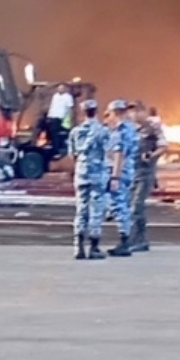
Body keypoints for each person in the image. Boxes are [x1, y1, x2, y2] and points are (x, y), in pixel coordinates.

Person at [70, 98, 109, 260]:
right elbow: (108, 152)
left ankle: (78, 247)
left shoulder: (75, 132)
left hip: (81, 174)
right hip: (97, 175)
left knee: (81, 210)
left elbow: (73, 155)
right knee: (96, 211)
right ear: (96, 111)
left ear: (83, 112)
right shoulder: (103, 131)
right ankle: (94, 248)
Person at [106, 99, 139, 257]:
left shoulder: (120, 131)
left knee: (119, 206)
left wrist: (115, 177)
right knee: (123, 204)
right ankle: (126, 239)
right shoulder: (131, 129)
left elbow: (119, 155)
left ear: (114, 113)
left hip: (120, 172)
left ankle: (124, 241)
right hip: (128, 171)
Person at [130, 102, 165, 252]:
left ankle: (139, 240)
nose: (134, 114)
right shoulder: (130, 129)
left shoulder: (152, 127)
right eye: (132, 111)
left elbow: (163, 146)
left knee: (137, 207)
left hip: (145, 173)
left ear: (143, 112)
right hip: (131, 173)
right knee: (129, 208)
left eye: (137, 111)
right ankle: (134, 239)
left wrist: (151, 156)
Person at [44, 83, 74, 157]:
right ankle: (49, 143)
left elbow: (70, 108)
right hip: (52, 116)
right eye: (59, 88)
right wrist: (49, 115)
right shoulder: (55, 96)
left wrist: (69, 119)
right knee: (45, 127)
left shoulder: (68, 97)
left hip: (61, 117)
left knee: (54, 131)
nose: (60, 89)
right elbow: (52, 106)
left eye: (62, 88)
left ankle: (56, 150)